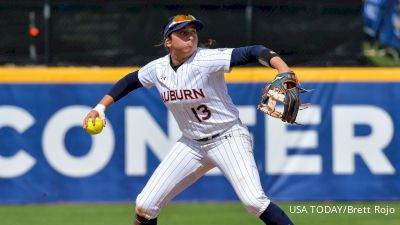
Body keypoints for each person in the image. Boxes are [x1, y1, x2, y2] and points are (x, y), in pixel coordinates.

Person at [83, 14, 295, 225]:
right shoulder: (158, 69)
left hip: (228, 138)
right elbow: (130, 80)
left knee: (254, 202)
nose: (191, 37)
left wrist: (283, 68)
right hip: (191, 144)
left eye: (193, 33)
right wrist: (100, 108)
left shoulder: (206, 59)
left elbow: (253, 51)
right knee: (145, 206)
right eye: (183, 33)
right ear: (168, 41)